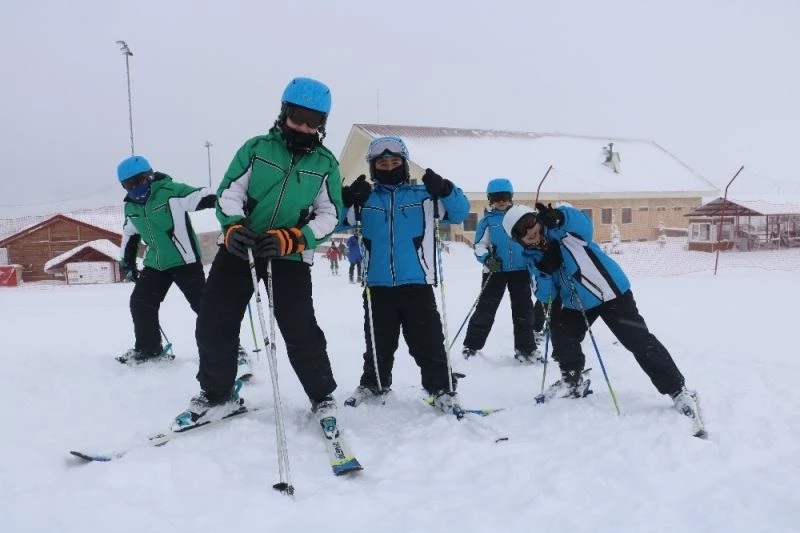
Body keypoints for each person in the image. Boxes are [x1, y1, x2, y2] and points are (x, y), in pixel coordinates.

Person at [173, 77, 343, 430]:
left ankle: (322, 395)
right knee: (214, 320)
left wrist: (296, 239)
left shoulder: (325, 163)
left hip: (289, 255)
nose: (305, 126)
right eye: (299, 116)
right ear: (284, 113)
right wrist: (233, 226)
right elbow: (228, 193)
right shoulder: (256, 148)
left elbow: (330, 214)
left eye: (315, 121)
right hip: (242, 248)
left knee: (300, 328)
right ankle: (218, 395)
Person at [502, 202, 701, 420]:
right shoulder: (532, 260)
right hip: (576, 304)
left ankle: (677, 389)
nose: (530, 231)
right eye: (521, 231)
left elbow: (585, 225)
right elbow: (545, 296)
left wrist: (560, 216)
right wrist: (545, 270)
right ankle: (572, 378)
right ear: (517, 239)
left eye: (530, 223)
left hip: (610, 293)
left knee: (638, 340)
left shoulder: (564, 232)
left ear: (537, 219)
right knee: (560, 333)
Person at [338, 136, 470, 414]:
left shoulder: (423, 197)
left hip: (417, 283)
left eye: (395, 161)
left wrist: (445, 189)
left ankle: (441, 389)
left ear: (405, 164)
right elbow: (332, 221)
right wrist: (347, 197)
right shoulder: (365, 200)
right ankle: (374, 383)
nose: (389, 167)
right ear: (373, 167)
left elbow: (460, 212)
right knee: (377, 342)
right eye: (382, 163)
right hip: (377, 285)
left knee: (429, 341)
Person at [115, 155, 216, 364]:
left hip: (184, 260)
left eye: (140, 180)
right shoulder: (131, 207)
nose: (135, 188)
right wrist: (127, 264)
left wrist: (231, 200)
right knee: (141, 302)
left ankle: (231, 348)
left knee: (205, 307)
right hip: (156, 263)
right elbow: (130, 234)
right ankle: (149, 348)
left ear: (150, 176)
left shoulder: (171, 192)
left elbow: (202, 196)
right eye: (129, 185)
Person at [461, 178, 541, 363]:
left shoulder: (522, 217)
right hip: (495, 270)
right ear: (490, 199)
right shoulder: (487, 221)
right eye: (496, 197)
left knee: (524, 310)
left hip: (521, 270)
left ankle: (526, 349)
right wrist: (487, 258)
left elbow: (533, 239)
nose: (501, 201)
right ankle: (472, 346)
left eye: (505, 197)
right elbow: (479, 245)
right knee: (486, 309)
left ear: (511, 197)